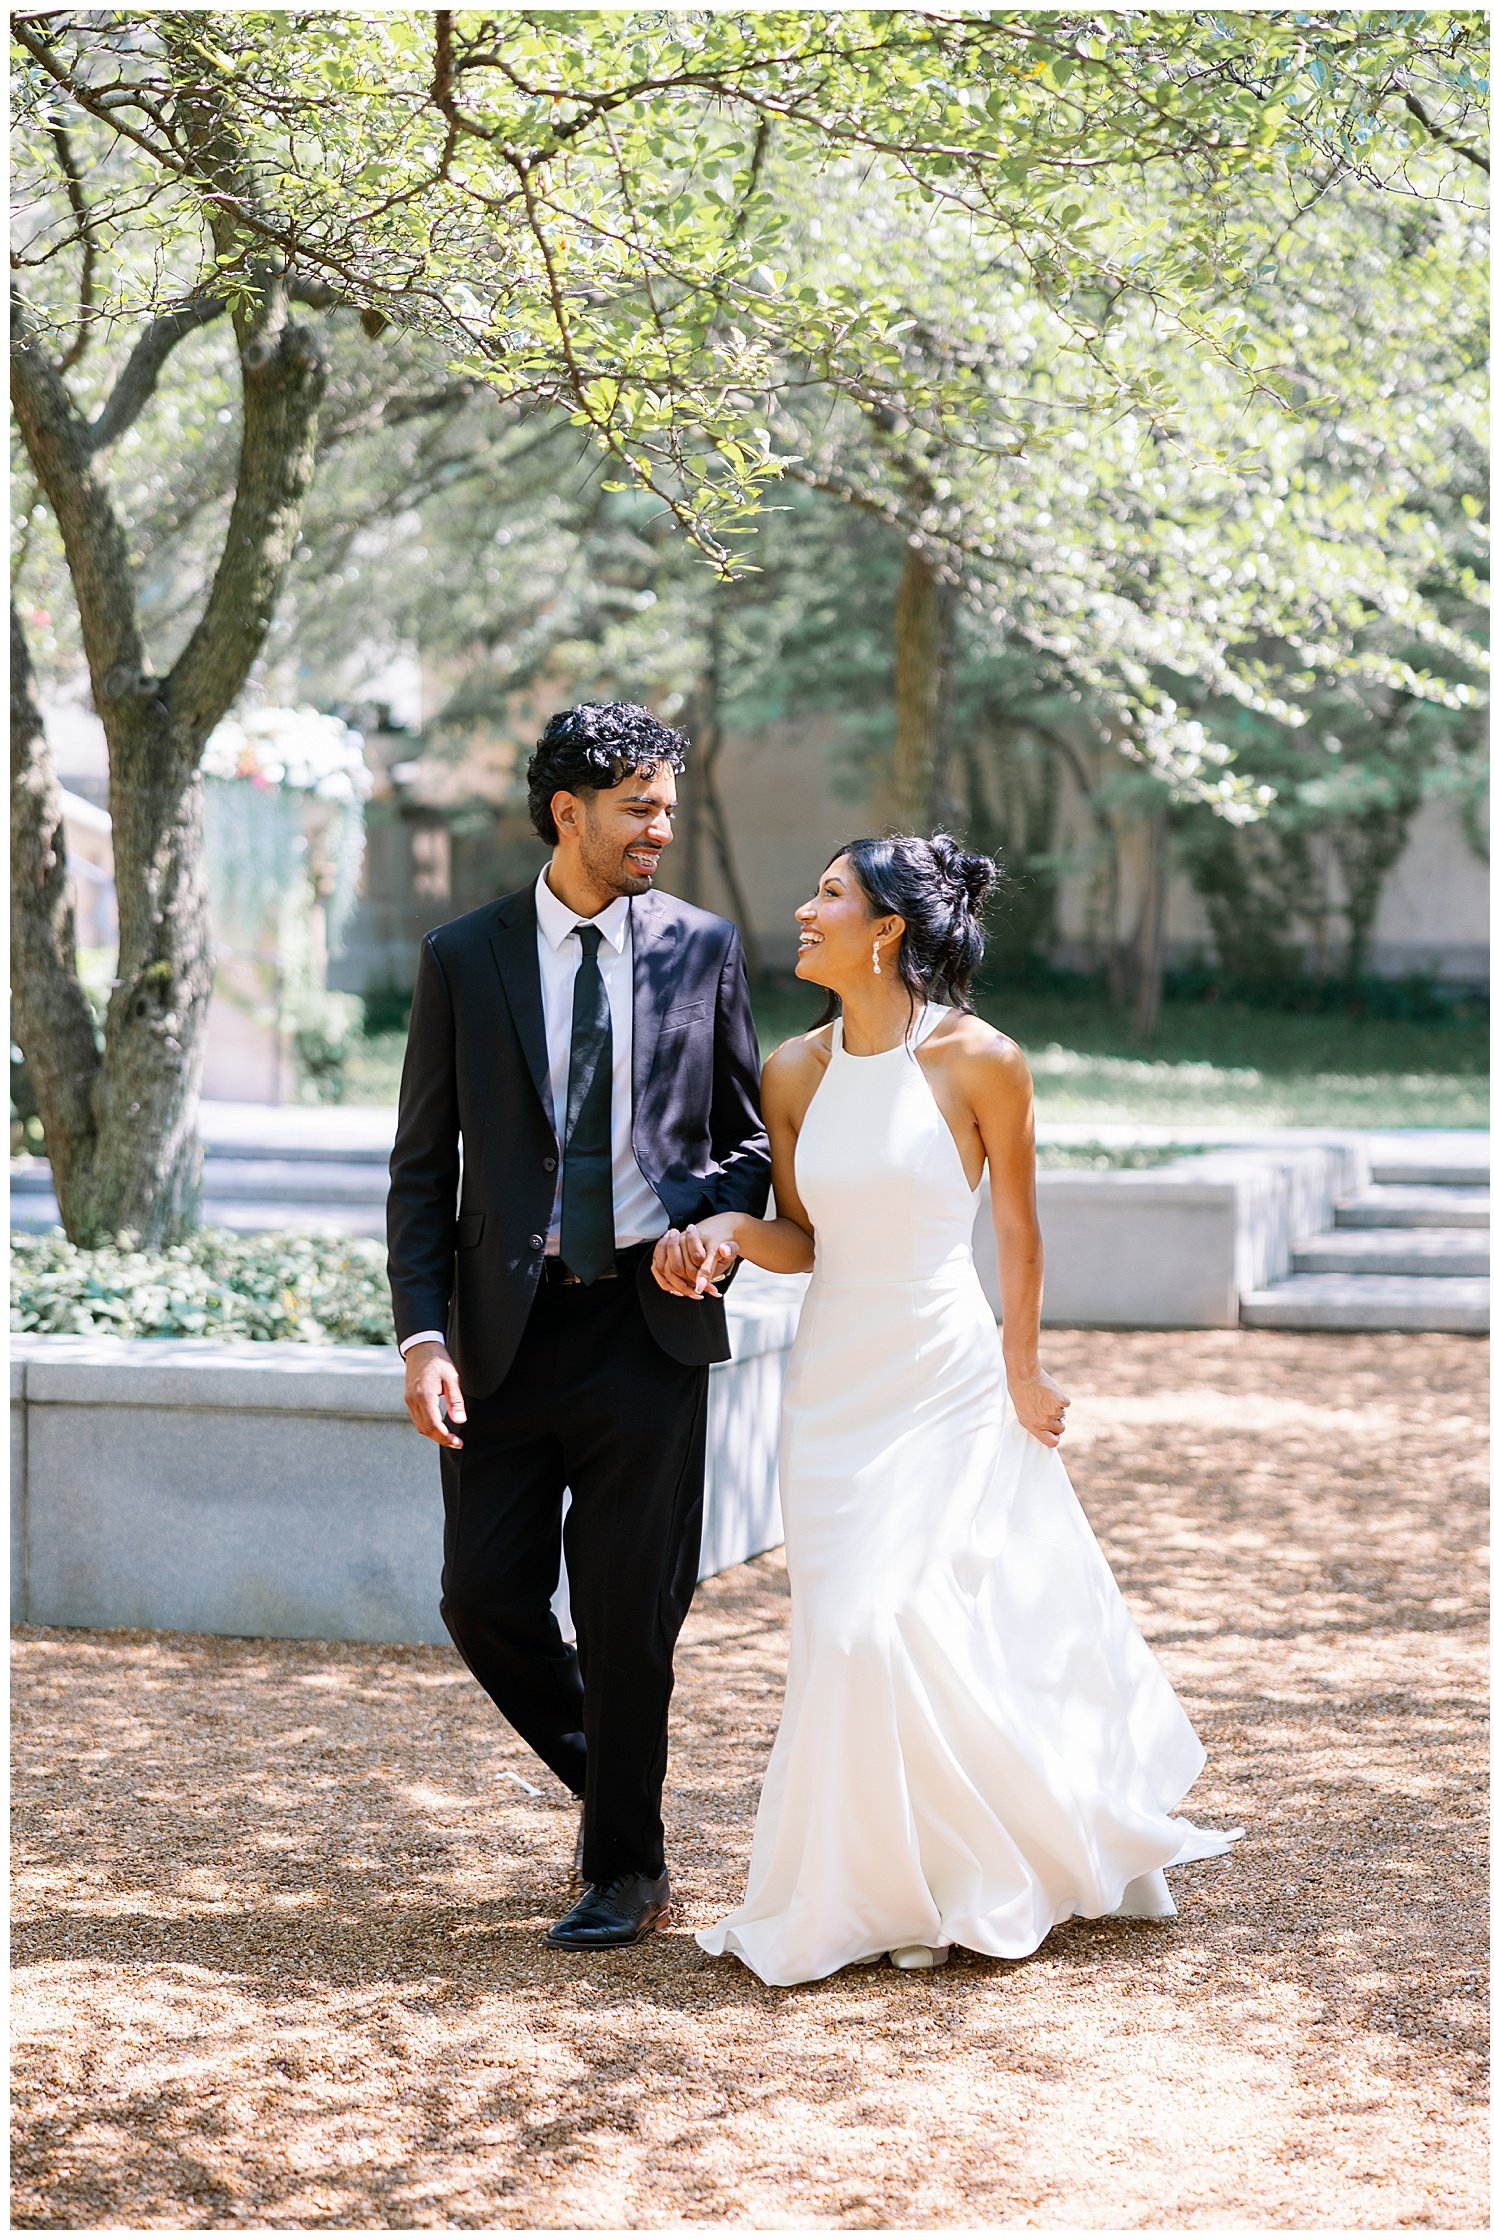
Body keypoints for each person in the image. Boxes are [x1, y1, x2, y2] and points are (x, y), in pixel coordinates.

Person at [652, 832, 1243, 1986]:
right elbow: (805, 1240)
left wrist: (1024, 1370)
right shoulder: (792, 1070)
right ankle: (885, 1891)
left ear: (886, 929)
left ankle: (975, 1874)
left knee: (900, 1619)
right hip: (833, 1387)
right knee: (849, 1637)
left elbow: (1017, 1232)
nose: (802, 909)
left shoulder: (983, 1060)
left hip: (946, 1378)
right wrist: (723, 1234)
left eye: (827, 893)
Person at [387, 703, 770, 1951]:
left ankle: (624, 1862)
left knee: (627, 1613)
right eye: (641, 806)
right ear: (570, 812)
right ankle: (621, 1793)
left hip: (648, 1330)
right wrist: (422, 1335)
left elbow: (749, 1136)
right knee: (483, 1596)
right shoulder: (464, 953)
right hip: (504, 1333)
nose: (663, 825)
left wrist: (709, 1222)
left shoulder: (703, 945)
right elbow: (419, 1166)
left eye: (667, 803)